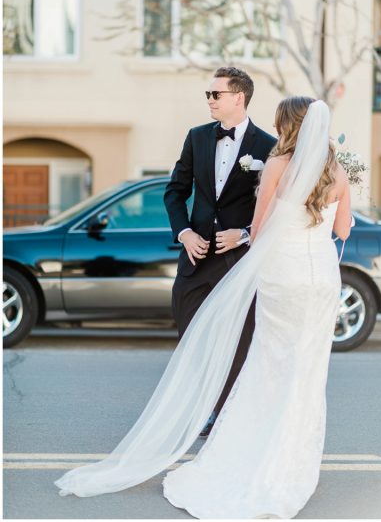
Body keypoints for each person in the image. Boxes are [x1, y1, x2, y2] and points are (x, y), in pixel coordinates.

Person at [55, 98, 353, 519]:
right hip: (321, 278)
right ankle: (291, 463)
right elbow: (342, 230)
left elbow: (261, 227)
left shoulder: (277, 165)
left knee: (270, 364)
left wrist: (250, 236)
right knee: (307, 370)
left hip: (283, 275)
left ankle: (253, 453)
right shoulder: (338, 173)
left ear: (288, 126)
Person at [164, 66, 277, 436]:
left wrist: (244, 234)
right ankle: (200, 406)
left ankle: (224, 412)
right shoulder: (196, 138)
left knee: (239, 343)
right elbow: (175, 192)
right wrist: (183, 233)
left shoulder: (267, 146)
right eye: (208, 95)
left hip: (239, 264)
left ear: (238, 97)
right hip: (195, 262)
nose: (210, 100)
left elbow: (275, 206)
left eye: (216, 94)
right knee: (192, 340)